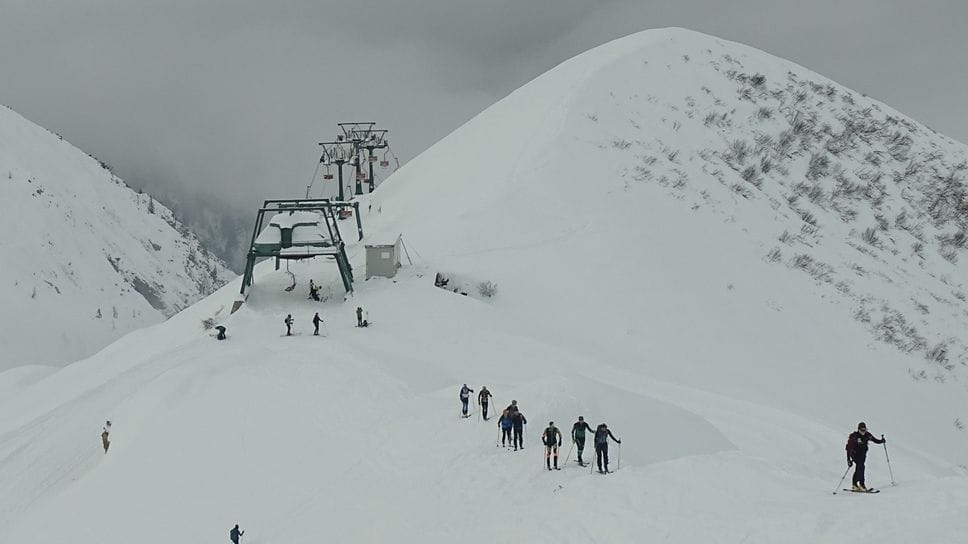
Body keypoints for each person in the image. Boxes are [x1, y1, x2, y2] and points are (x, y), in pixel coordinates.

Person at [846, 421, 885, 491]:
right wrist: (848, 460)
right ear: (858, 429)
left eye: (865, 430)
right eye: (862, 430)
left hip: (863, 455)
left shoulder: (867, 435)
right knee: (861, 467)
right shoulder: (854, 436)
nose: (863, 432)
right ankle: (862, 485)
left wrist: (881, 441)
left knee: (859, 468)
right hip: (855, 455)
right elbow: (848, 448)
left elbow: (874, 440)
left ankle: (854, 484)